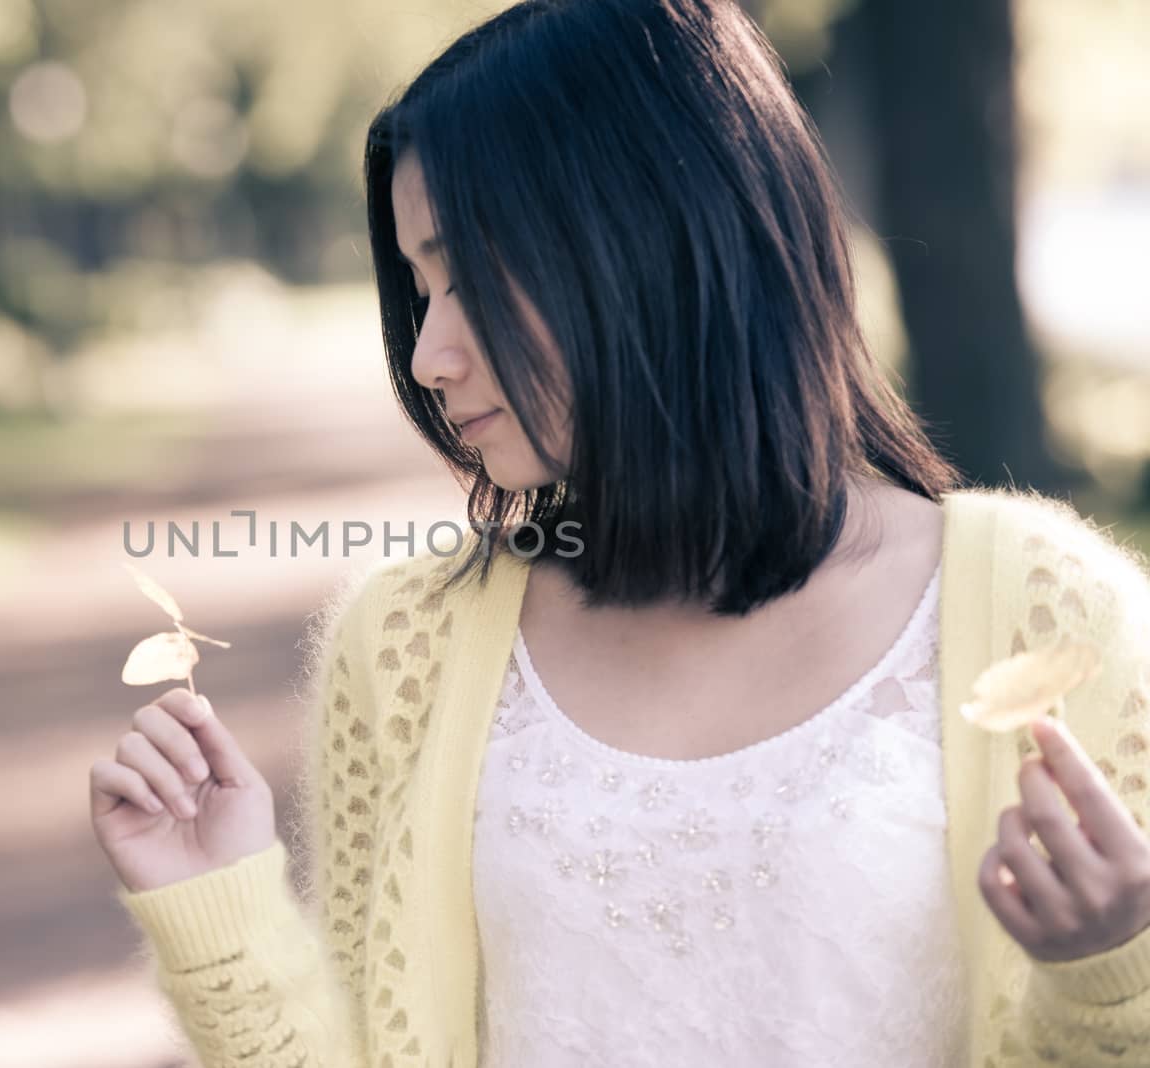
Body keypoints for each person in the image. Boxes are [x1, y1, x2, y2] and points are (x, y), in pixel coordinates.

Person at [89, 1, 1150, 1064]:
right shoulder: (407, 644)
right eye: (420, 291)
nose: (428, 355)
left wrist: (1112, 971)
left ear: (659, 241)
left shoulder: (1054, 619)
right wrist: (214, 915)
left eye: (470, 276)